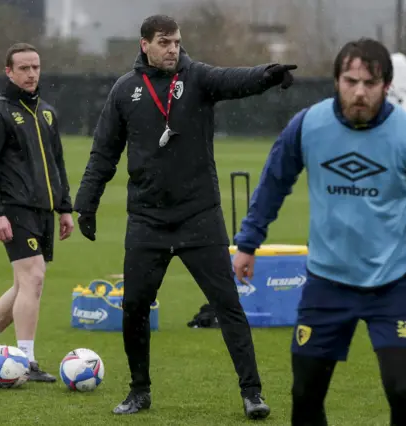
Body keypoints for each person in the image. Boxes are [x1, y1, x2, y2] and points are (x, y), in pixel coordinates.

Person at [73, 14, 296, 419]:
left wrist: (268, 74)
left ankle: (252, 393)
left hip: (199, 216)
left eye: (176, 41)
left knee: (228, 304)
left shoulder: (197, 78)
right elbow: (103, 153)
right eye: (164, 42)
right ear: (145, 45)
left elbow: (234, 80)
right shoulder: (125, 90)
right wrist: (86, 203)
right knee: (135, 308)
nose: (173, 48)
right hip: (147, 221)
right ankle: (139, 392)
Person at [232, 38, 406, 426]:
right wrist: (248, 242)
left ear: (387, 86)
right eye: (350, 80)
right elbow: (274, 182)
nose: (359, 92)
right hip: (327, 283)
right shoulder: (308, 125)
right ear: (336, 80)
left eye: (369, 84)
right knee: (305, 394)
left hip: (392, 284)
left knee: (402, 390)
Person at [0, 42, 75, 382]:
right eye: (24, 68)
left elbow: (57, 162)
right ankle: (26, 362)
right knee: (34, 277)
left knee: (24, 285)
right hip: (14, 208)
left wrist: (64, 208)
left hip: (43, 210)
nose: (31, 74)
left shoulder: (46, 111)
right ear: (9, 72)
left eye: (36, 67)